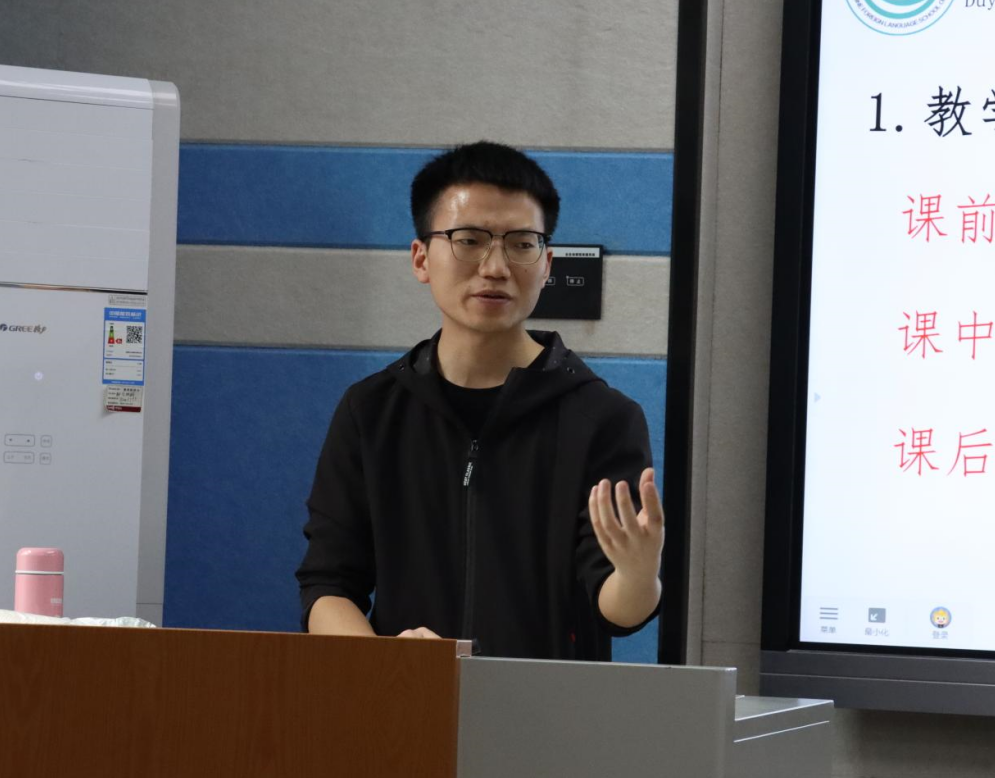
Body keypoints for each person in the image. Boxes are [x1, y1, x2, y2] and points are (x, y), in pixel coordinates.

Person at [295, 141, 663, 660]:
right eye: (469, 240)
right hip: (409, 697)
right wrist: (386, 664)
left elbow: (617, 610)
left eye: (521, 244)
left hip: (550, 705)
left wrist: (639, 577)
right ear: (421, 258)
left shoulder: (602, 418)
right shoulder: (371, 412)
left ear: (547, 264)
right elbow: (328, 585)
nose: (495, 267)